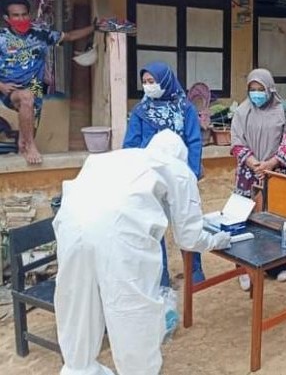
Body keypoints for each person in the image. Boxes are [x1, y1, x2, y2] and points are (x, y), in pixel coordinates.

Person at [53, 129, 233, 375]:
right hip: (120, 235)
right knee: (131, 312)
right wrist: (215, 241)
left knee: (78, 305)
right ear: (180, 155)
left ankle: (79, 369)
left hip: (70, 228)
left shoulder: (113, 157)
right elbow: (189, 236)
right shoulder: (177, 169)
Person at [123, 62, 205, 285]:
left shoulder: (185, 108)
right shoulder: (140, 112)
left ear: (165, 81)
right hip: (151, 178)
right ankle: (162, 278)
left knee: (186, 222)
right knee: (154, 226)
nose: (148, 86)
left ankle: (195, 273)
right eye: (145, 82)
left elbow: (194, 141)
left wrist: (191, 174)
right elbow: (130, 144)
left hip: (180, 176)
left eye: (153, 82)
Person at [231, 68, 286, 290]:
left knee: (276, 219)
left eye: (260, 89)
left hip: (276, 172)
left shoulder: (285, 110)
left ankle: (279, 265)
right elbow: (236, 141)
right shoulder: (243, 111)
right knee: (245, 219)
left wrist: (271, 164)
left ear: (270, 89)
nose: (256, 94)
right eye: (252, 90)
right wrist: (253, 163)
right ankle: (245, 268)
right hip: (247, 173)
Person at [0, 0, 94, 164]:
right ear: (7, 18)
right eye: (16, 15)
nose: (21, 19)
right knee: (25, 97)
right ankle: (30, 146)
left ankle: (24, 147)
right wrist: (1, 85)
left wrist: (94, 27)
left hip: (36, 87)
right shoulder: (1, 38)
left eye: (24, 14)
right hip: (11, 88)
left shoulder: (40, 35)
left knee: (28, 127)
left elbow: (70, 36)